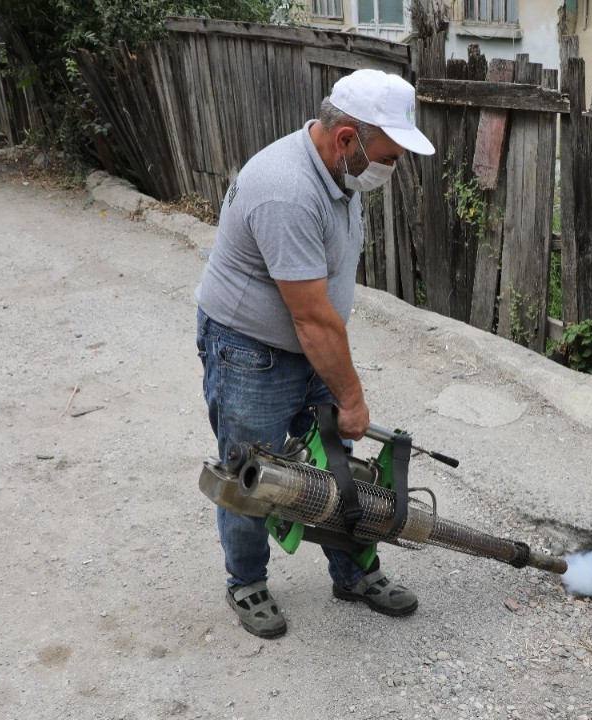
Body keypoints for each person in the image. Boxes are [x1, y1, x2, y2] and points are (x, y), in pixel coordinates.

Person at [194, 69, 435, 639]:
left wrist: (340, 389)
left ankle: (353, 571)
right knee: (250, 470)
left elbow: (319, 308)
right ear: (347, 138)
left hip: (311, 343)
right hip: (250, 351)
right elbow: (309, 316)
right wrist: (351, 397)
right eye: (389, 156)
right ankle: (246, 581)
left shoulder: (341, 172)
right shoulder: (286, 189)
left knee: (337, 467)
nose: (391, 169)